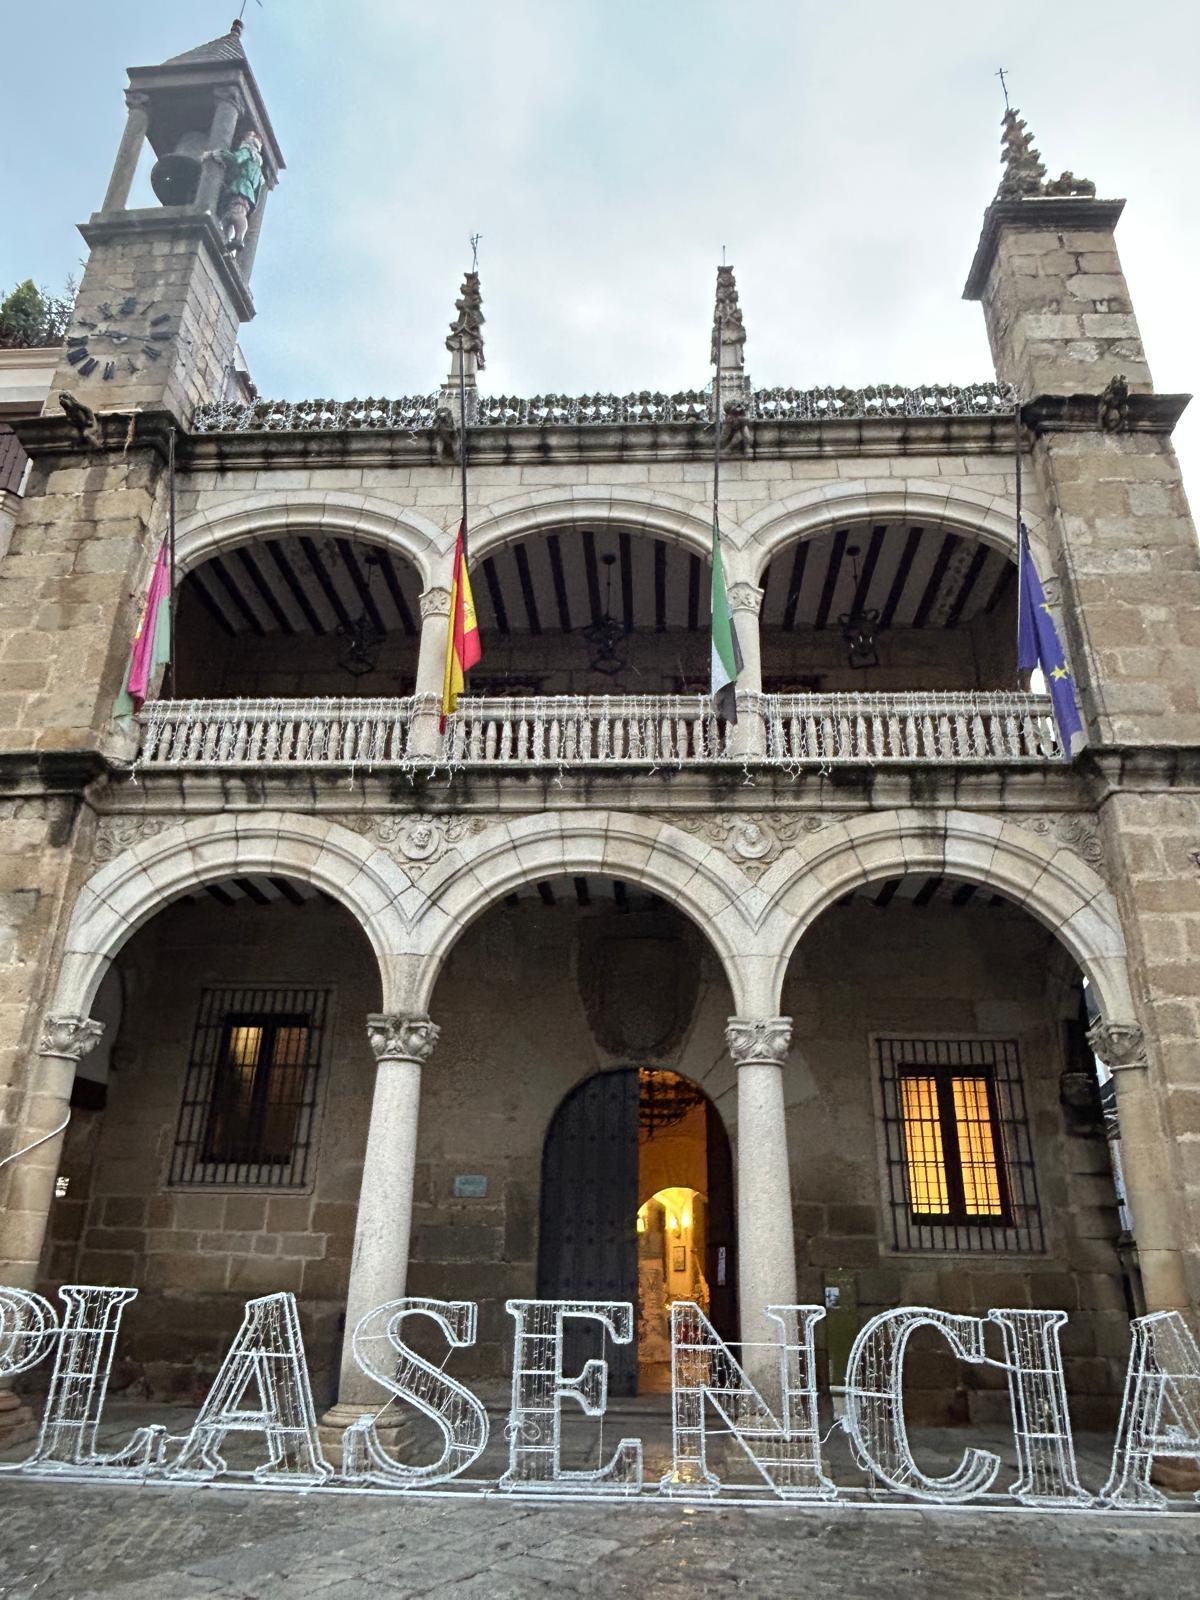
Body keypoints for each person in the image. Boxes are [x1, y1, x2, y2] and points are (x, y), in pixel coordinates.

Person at [203, 129, 264, 255]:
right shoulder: (258, 168)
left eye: (245, 138)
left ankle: (238, 239)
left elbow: (236, 159)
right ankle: (225, 242)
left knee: (236, 214)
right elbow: (257, 191)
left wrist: (218, 153)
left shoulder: (247, 151)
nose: (243, 141)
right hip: (248, 193)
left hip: (240, 188)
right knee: (227, 218)